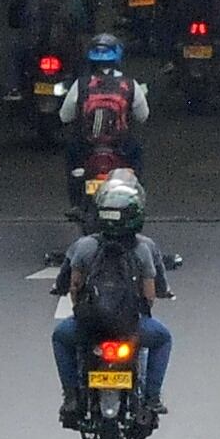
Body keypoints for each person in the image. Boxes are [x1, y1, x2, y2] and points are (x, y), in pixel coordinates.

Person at [51, 174, 172, 425]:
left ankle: (72, 396)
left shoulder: (84, 246)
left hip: (89, 328)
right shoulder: (144, 248)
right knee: (162, 339)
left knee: (61, 337)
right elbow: (149, 295)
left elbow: (74, 287)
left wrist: (87, 314)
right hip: (131, 329)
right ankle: (151, 399)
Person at [60, 33, 149, 209]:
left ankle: (75, 204)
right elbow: (143, 116)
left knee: (72, 159)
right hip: (120, 147)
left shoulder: (81, 84)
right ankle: (136, 200)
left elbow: (65, 116)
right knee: (137, 157)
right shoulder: (130, 85)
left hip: (87, 146)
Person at [6, 0, 94, 101]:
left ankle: (15, 88)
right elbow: (85, 25)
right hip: (65, 49)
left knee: (15, 49)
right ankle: (85, 91)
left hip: (34, 47)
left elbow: (15, 20)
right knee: (85, 55)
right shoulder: (75, 0)